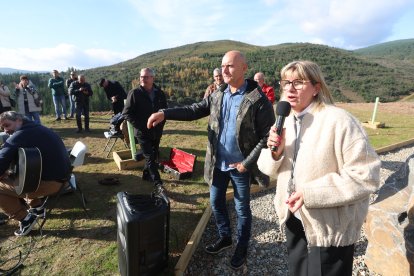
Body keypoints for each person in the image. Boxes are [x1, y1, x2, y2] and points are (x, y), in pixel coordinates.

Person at [147, 51, 275, 270]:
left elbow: (267, 136)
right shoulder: (219, 93)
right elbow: (195, 109)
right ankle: (225, 237)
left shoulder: (258, 99)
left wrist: (247, 163)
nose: (224, 70)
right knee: (216, 203)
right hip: (218, 164)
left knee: (242, 209)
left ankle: (242, 246)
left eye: (230, 66)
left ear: (244, 68)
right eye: (223, 66)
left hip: (241, 167)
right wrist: (165, 113)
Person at [257, 60, 381, 276]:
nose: (289, 88)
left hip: (330, 226)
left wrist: (311, 194)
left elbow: (366, 175)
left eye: (298, 82)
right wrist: (275, 153)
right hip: (293, 217)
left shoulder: (340, 121)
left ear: (316, 88)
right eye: (285, 82)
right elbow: (266, 167)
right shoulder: (284, 120)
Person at [0, 111, 71, 236]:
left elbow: (2, 159)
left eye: (7, 125)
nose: (5, 130)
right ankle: (37, 208)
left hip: (51, 184)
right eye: (3, 127)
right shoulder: (37, 128)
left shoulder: (20, 135)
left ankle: (24, 219)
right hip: (63, 179)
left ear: (18, 121)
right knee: (16, 175)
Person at [122, 68, 167, 186]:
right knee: (150, 157)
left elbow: (164, 111)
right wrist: (140, 126)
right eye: (141, 77)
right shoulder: (134, 93)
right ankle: (158, 183)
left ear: (152, 78)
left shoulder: (159, 93)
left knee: (154, 153)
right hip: (142, 132)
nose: (143, 79)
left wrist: (160, 125)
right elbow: (126, 113)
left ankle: (146, 175)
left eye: (146, 77)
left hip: (156, 131)